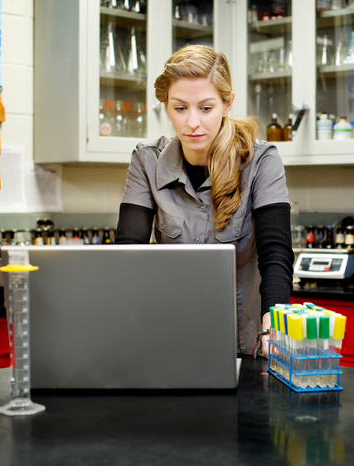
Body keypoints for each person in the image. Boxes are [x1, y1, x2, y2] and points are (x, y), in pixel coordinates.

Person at [115, 45, 294, 357]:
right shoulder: (146, 161)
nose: (193, 123)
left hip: (244, 345)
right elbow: (128, 253)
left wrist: (273, 325)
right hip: (168, 340)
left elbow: (275, 253)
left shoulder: (261, 161)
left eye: (206, 108)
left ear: (227, 104)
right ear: (166, 107)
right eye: (180, 108)